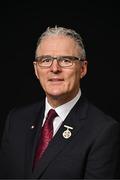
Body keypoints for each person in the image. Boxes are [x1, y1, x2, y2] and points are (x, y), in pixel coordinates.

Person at [0, 26, 120, 179]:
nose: (54, 68)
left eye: (65, 60)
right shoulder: (16, 120)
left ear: (82, 68)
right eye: (46, 60)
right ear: (36, 70)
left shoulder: (103, 131)